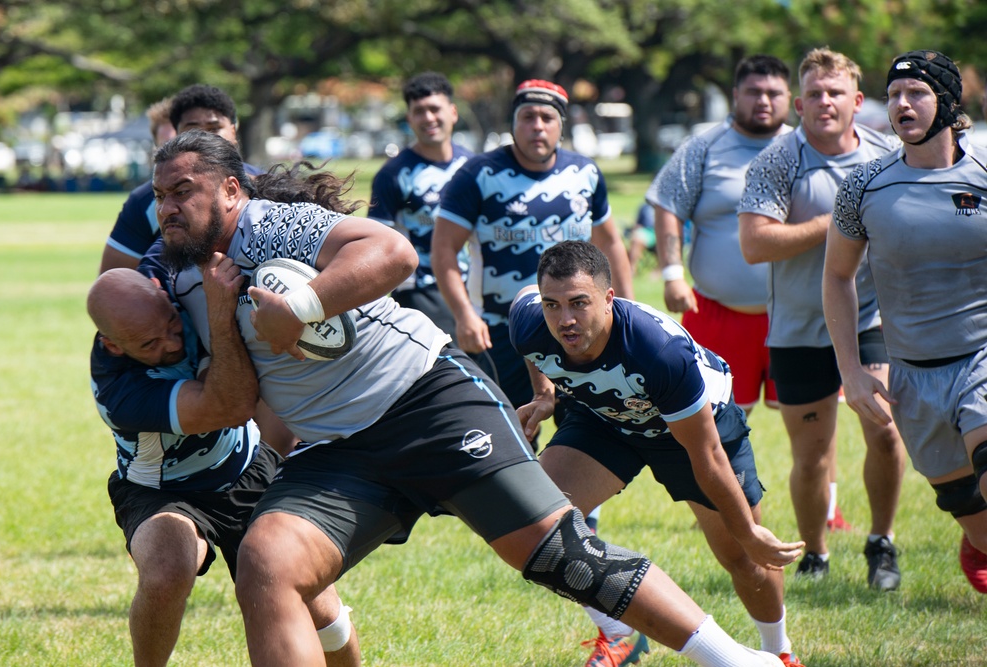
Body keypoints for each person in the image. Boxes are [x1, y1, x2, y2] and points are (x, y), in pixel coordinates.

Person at [152, 129, 792, 667]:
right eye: (160, 196)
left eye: (185, 191)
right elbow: (195, 364)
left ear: (233, 190)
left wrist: (302, 307)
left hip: (426, 400)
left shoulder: (269, 227)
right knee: (266, 562)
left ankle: (734, 659)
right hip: (342, 449)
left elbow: (393, 251)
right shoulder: (179, 274)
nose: (169, 208)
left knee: (556, 553)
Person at [510, 240, 807, 667]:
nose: (566, 320)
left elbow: (705, 455)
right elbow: (530, 332)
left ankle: (779, 652)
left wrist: (747, 529)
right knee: (527, 522)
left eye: (579, 303)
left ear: (609, 298)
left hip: (692, 430)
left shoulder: (657, 351)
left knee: (743, 555)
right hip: (606, 419)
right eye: (552, 305)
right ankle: (618, 631)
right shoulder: (530, 322)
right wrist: (545, 393)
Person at [87, 262, 359, 667]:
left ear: (162, 291)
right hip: (162, 490)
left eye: (170, 325)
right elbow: (228, 406)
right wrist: (218, 309)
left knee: (316, 599)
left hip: (249, 465)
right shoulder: (118, 392)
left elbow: (201, 233)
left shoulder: (166, 276)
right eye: (149, 345)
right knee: (167, 568)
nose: (170, 343)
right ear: (113, 345)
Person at [737, 47, 907, 590]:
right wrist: (837, 223)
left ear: (858, 101)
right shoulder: (778, 160)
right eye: (814, 93)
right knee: (810, 457)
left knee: (884, 432)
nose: (824, 102)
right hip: (799, 329)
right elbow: (754, 242)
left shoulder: (888, 154)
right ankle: (815, 553)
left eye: (835, 93)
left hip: (871, 320)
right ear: (799, 102)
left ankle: (882, 544)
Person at [823, 49, 987, 594]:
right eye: (893, 94)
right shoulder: (864, 187)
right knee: (976, 520)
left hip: (981, 360)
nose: (901, 104)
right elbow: (837, 278)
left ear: (947, 102)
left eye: (915, 92)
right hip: (913, 376)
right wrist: (851, 369)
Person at [432, 79, 633, 413]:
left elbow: (610, 242)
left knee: (585, 428)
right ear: (512, 124)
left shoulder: (584, 173)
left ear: (561, 126)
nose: (537, 126)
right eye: (527, 117)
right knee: (511, 428)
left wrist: (625, 312)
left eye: (547, 118)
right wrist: (464, 314)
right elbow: (443, 250)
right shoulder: (477, 174)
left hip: (578, 326)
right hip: (501, 329)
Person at [648, 54, 793, 417]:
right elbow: (668, 205)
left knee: (810, 422)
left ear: (790, 97)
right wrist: (671, 275)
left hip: (797, 313)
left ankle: (825, 480)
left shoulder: (804, 147)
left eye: (774, 93)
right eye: (753, 91)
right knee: (714, 420)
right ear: (735, 95)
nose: (763, 101)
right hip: (717, 311)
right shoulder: (703, 145)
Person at [99, 84, 260, 273]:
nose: (204, 135)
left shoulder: (266, 188)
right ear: (177, 133)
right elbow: (113, 283)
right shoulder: (144, 202)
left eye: (214, 127)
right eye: (192, 128)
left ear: (233, 130)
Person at [368, 72, 475, 340]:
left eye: (434, 109)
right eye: (419, 111)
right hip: (422, 293)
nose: (428, 118)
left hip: (476, 287)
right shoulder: (392, 175)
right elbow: (378, 245)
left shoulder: (474, 167)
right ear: (409, 119)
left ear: (453, 112)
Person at [626, 202, 658, 276]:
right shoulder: (645, 206)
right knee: (636, 238)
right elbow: (638, 224)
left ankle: (660, 271)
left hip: (660, 233)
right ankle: (631, 269)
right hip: (645, 232)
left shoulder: (667, 206)